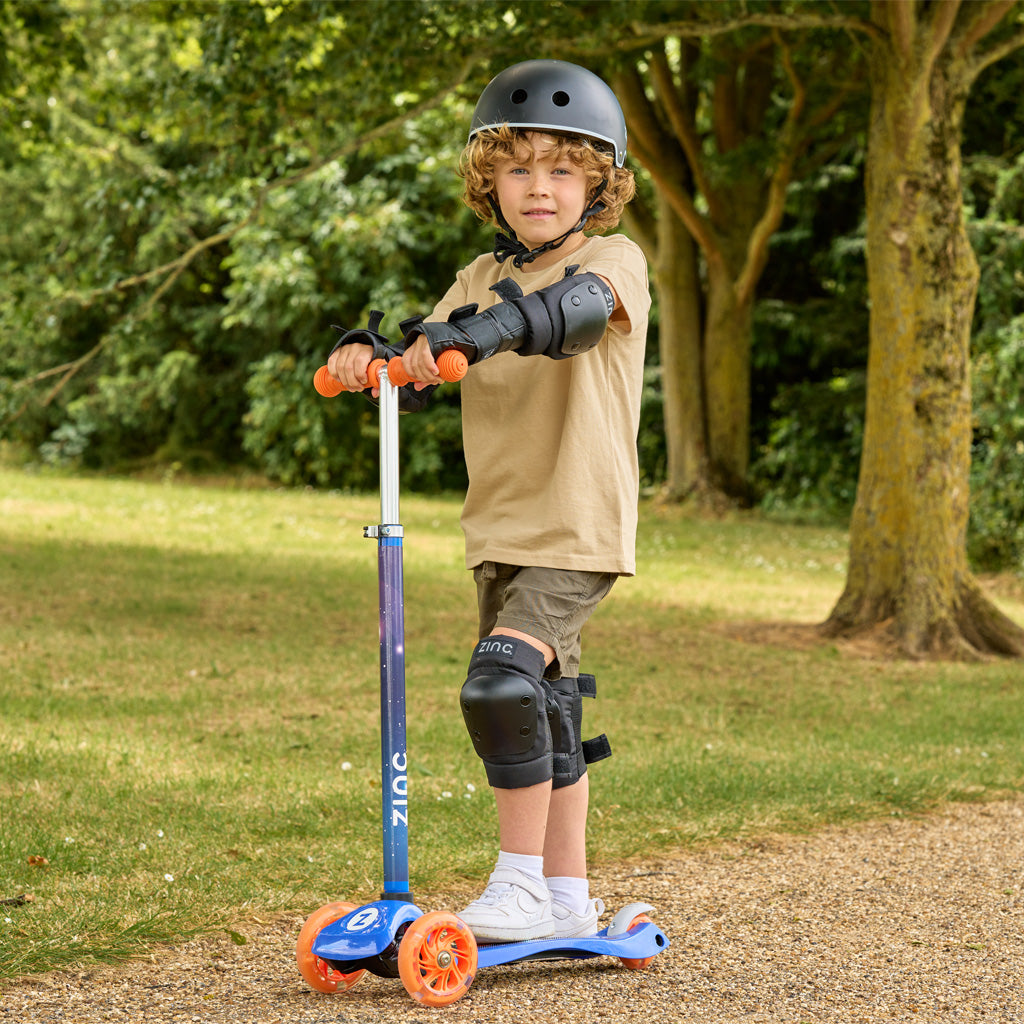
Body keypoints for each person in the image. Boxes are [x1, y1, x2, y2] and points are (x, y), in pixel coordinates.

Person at [327, 59, 650, 943]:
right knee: (545, 706)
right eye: (518, 168)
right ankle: (568, 897)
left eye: (561, 169)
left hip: (578, 525)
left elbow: (571, 313)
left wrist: (484, 330)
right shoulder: (477, 273)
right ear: (490, 181)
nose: (538, 187)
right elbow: (423, 351)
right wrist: (373, 354)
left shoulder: (615, 258)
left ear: (598, 181)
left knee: (498, 686)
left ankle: (514, 885)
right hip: (499, 526)